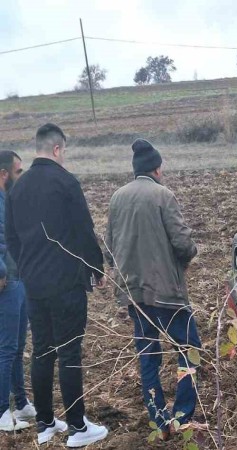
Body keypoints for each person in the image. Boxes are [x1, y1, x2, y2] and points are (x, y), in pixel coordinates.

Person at [6, 124, 108, 447]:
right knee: (69, 352)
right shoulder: (66, 182)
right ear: (56, 149)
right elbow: (84, 229)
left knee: (42, 352)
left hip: (33, 286)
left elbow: (10, 238)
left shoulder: (17, 189)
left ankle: (45, 425)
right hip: (66, 284)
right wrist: (97, 268)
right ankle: (78, 428)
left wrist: (26, 269)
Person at [106, 139, 200, 437]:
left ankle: (159, 420)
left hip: (134, 293)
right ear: (157, 169)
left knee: (147, 353)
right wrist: (185, 261)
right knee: (190, 349)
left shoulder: (117, 198)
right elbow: (183, 243)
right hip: (166, 294)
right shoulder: (164, 196)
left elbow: (109, 248)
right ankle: (183, 416)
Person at [0, 151, 36, 432]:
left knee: (18, 345)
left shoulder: (7, 199)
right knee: (7, 347)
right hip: (6, 281)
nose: (21, 176)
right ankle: (2, 412)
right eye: (18, 171)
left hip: (19, 277)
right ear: (3, 174)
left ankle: (21, 403)